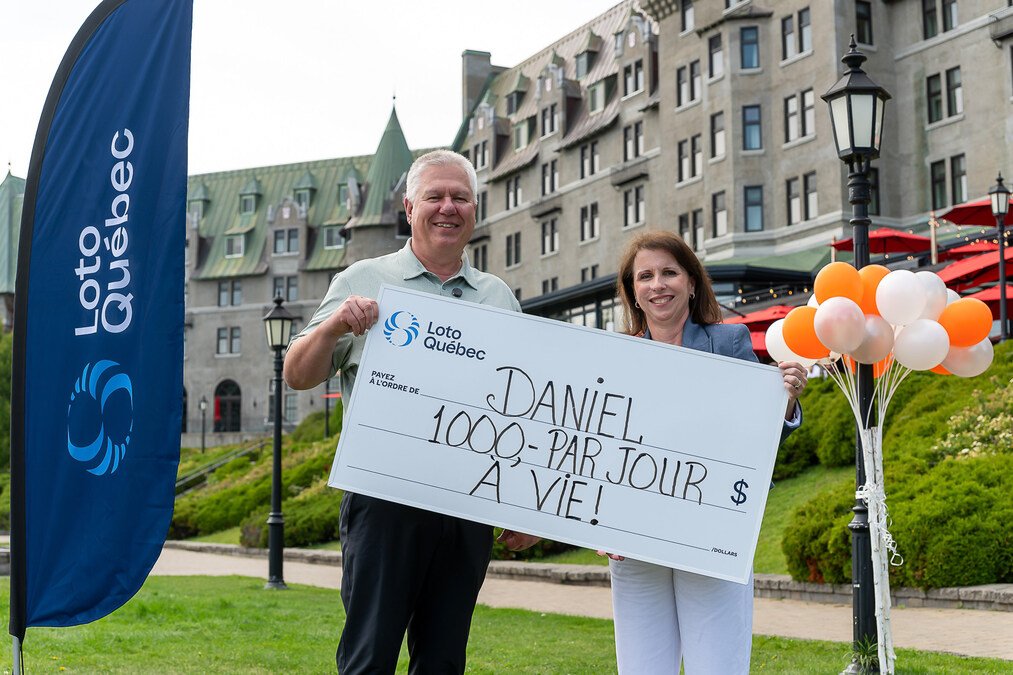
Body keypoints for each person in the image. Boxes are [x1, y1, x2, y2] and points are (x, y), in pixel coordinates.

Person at [284, 149, 538, 674]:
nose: (448, 207)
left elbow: (522, 410)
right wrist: (333, 327)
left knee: (443, 659)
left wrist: (522, 508)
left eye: (460, 197)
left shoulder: (498, 297)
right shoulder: (363, 278)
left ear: (475, 210)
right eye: (434, 196)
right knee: (369, 657)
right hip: (384, 501)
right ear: (409, 208)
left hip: (466, 507)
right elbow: (297, 374)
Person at [602, 230, 806, 675]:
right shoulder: (616, 355)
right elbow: (601, 446)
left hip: (712, 534)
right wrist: (601, 519)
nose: (658, 284)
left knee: (717, 665)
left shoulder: (728, 342)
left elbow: (758, 438)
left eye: (669, 272)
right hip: (635, 543)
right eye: (645, 276)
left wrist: (784, 403)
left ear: (692, 283)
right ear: (632, 291)